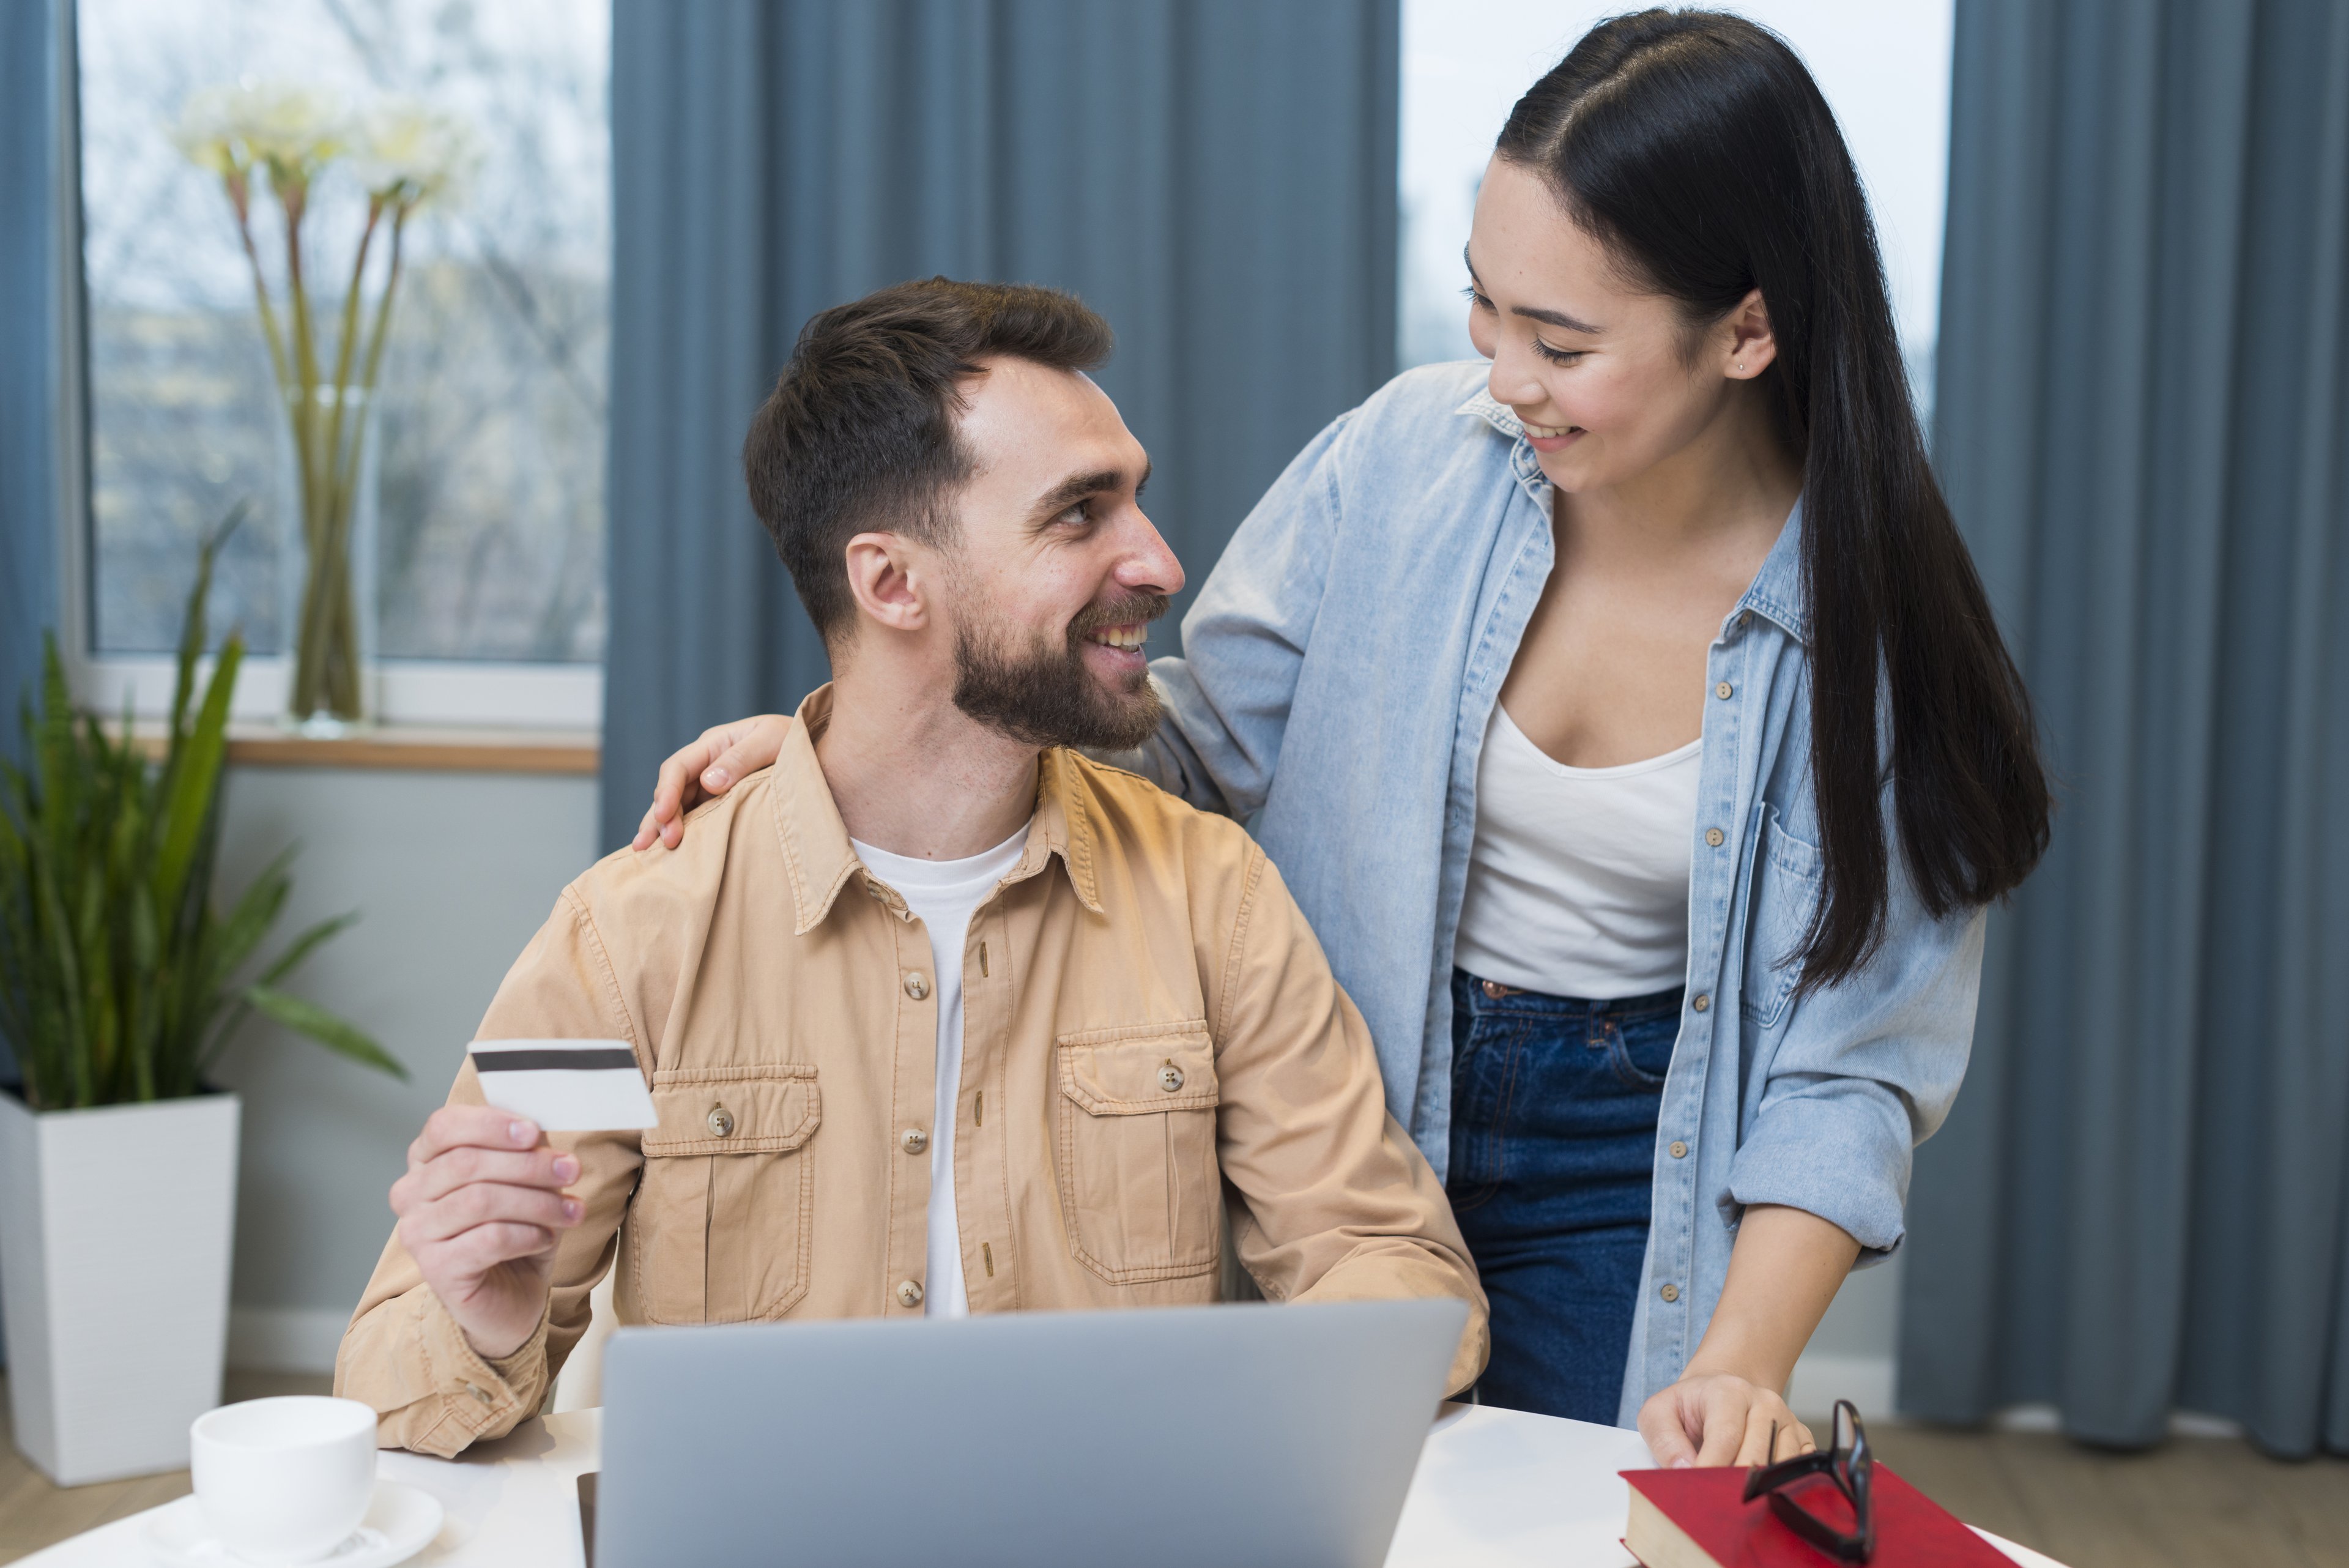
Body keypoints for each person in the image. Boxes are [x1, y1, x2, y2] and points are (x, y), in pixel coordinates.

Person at [633, 10, 2052, 1468]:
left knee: (1552, 1524)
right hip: (1343, 1079)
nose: (1503, 375)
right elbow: (1185, 744)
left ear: (1748, 328)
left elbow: (1853, 1066)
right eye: (1487, 309)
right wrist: (863, 737)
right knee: (1327, 1502)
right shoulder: (1405, 458)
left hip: (1632, 1169)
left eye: (1562, 342)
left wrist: (1743, 1358)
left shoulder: (1867, 625)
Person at [335, 279, 1486, 1455]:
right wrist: (485, 1319)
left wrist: (1237, 1414)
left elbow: (1393, 1268)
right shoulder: (628, 934)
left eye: (1133, 499)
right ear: (891, 583)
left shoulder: (1212, 899)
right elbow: (388, 1384)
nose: (1160, 562)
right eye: (1081, 514)